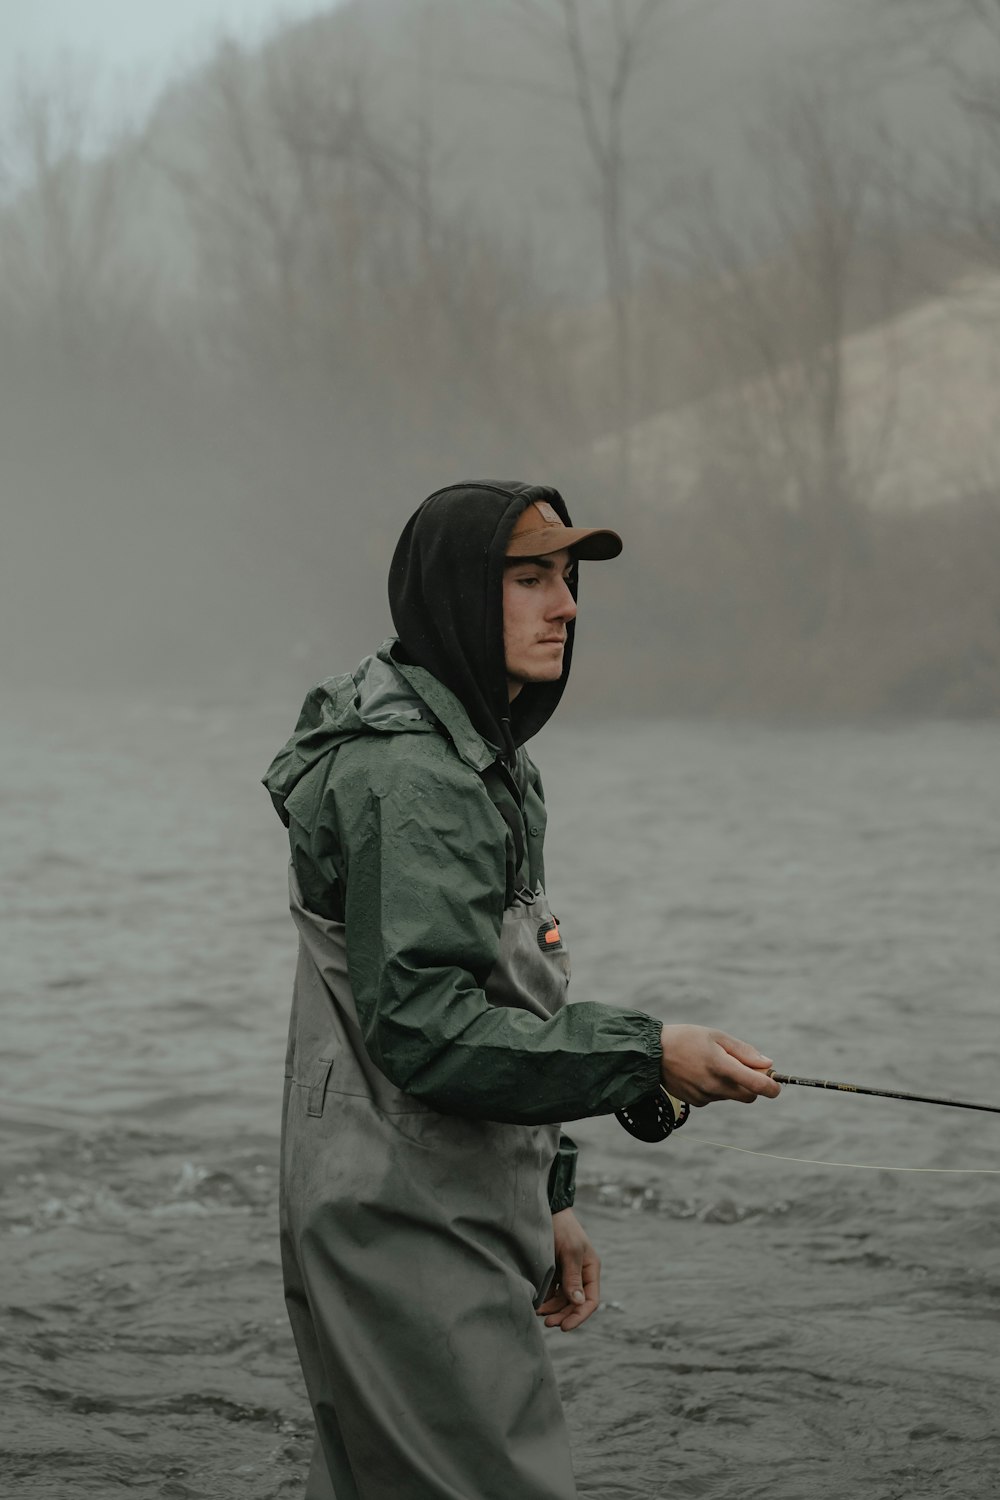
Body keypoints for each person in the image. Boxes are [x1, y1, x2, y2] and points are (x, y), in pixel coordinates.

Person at [263, 480, 780, 1500]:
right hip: (402, 1220)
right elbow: (425, 1029)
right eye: (529, 578)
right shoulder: (416, 776)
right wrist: (648, 1051)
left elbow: (499, 997)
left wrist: (546, 1196)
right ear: (456, 594)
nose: (566, 606)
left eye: (569, 579)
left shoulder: (480, 756)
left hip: (425, 1195)